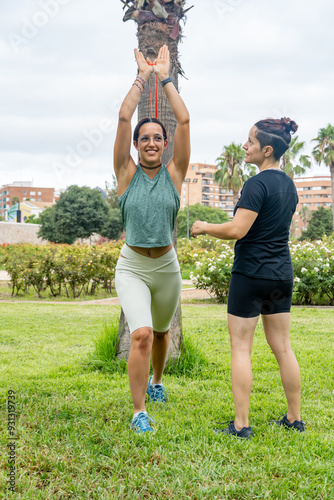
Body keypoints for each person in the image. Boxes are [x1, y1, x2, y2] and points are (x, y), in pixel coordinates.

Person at [191, 118, 305, 439]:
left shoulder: (257, 185)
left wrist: (204, 227)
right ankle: (294, 419)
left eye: (250, 142)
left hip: (250, 274)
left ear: (266, 150)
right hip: (281, 274)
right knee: (283, 347)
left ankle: (241, 425)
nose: (244, 146)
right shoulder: (289, 185)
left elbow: (236, 230)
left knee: (241, 348)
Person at [113, 45, 190, 433]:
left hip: (166, 266)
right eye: (144, 138)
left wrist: (165, 76)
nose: (151, 143)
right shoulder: (125, 173)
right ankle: (139, 410)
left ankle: (158, 382)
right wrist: (143, 76)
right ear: (136, 144)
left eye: (158, 138)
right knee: (141, 333)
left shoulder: (174, 174)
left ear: (165, 143)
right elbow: (125, 116)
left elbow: (185, 120)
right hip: (132, 266)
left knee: (160, 332)